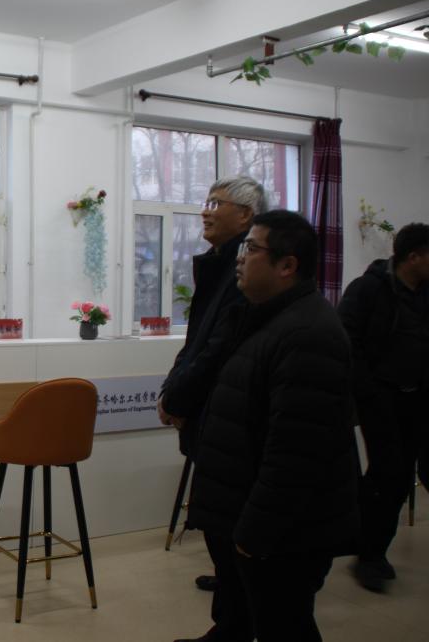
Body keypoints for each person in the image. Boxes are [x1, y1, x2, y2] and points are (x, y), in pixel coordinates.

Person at [175, 210, 360, 642]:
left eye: (251, 248)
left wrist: (254, 534)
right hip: (242, 510)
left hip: (283, 531)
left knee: (284, 622)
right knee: (241, 611)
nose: (240, 258)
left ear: (287, 265)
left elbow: (295, 454)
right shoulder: (260, 316)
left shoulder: (309, 334)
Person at [159, 175, 266, 592]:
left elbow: (217, 349)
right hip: (207, 408)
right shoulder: (218, 261)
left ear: (245, 215)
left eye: (216, 204)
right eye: (206, 202)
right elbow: (196, 341)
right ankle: (230, 585)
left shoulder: (245, 271)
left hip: (228, 411)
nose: (206, 211)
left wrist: (178, 398)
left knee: (227, 514)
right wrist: (173, 390)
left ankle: (238, 595)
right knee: (217, 512)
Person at [337, 222, 429, 593]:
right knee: (388, 475)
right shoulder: (369, 289)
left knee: (399, 476)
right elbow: (346, 342)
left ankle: (368, 544)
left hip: (417, 398)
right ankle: (369, 553)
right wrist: (369, 392)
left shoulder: (425, 293)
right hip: (379, 399)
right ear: (414, 257)